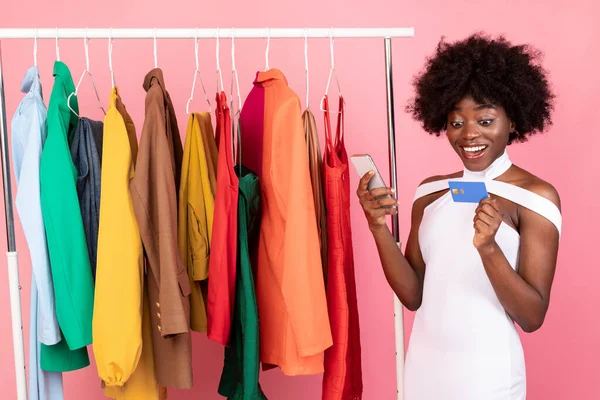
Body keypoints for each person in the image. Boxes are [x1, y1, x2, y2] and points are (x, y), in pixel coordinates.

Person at [357, 32, 562, 399]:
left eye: (485, 121)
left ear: (512, 122)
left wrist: (489, 249)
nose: (469, 135)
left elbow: (533, 316)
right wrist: (378, 228)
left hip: (489, 376)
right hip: (423, 370)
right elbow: (414, 295)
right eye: (456, 122)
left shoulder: (535, 197)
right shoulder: (429, 193)